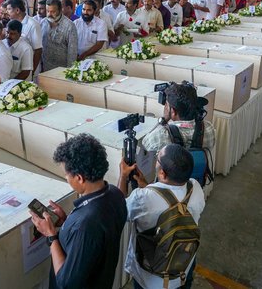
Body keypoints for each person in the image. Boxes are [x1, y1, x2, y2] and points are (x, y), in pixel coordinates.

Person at [30, 133, 127, 289]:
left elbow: (66, 283)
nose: (66, 179)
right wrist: (67, 220)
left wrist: (51, 236)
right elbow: (96, 240)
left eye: (67, 175)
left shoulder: (86, 224)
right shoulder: (116, 195)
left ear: (80, 178)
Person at [118, 143, 205, 289]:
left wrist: (123, 176)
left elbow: (118, 210)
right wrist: (146, 185)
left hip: (151, 279)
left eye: (157, 159)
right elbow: (168, 199)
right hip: (183, 267)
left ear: (162, 173)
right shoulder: (195, 188)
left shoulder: (143, 198)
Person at [141, 82, 216, 154]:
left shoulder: (159, 136)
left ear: (173, 111)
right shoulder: (209, 128)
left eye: (166, 105)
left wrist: (163, 120)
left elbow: (145, 144)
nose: (165, 107)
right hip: (200, 167)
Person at [40, 0, 78, 72]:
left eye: (53, 11)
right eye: (48, 11)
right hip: (45, 67)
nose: (49, 14)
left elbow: (72, 51)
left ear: (60, 11)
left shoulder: (69, 26)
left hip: (62, 69)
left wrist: (70, 70)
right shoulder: (43, 23)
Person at [7, 0, 42, 75]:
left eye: (9, 9)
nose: (7, 12)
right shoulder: (11, 23)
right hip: (14, 66)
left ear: (17, 10)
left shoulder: (33, 24)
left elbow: (38, 50)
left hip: (29, 68)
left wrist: (31, 71)